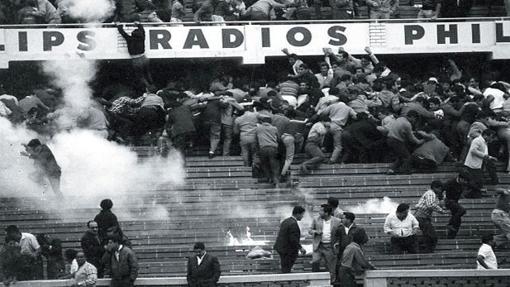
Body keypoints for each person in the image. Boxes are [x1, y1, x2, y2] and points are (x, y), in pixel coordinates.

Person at [309, 204, 342, 282]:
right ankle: (315, 281)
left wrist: (338, 243)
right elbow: (310, 230)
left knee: (331, 266)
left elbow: (341, 233)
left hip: (330, 246)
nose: (319, 212)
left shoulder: (337, 221)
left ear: (326, 213)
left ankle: (332, 282)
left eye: (321, 211)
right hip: (319, 245)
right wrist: (316, 232)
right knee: (315, 262)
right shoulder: (316, 219)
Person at [413, 180, 448, 253]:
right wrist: (441, 211)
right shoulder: (430, 193)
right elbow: (430, 205)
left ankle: (426, 249)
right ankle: (426, 250)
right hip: (421, 217)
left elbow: (438, 204)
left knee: (429, 235)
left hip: (423, 217)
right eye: (440, 189)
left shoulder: (434, 195)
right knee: (431, 235)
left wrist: (442, 198)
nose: (440, 191)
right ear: (435, 188)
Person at [386, 110, 425, 175]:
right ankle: (405, 171)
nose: (415, 121)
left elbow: (402, 130)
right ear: (412, 117)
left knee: (401, 156)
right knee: (407, 157)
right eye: (415, 119)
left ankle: (391, 170)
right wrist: (420, 141)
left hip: (389, 139)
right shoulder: (407, 124)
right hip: (396, 140)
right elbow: (412, 139)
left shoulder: (400, 118)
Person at [116, 22, 154, 89]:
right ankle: (152, 85)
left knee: (140, 76)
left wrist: (119, 26)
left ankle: (148, 87)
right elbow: (143, 30)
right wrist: (139, 24)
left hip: (136, 60)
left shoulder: (130, 39)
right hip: (144, 57)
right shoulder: (142, 38)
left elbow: (122, 33)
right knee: (147, 73)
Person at [464, 128, 498, 198]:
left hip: (478, 164)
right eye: (490, 137)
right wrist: (486, 156)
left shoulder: (484, 142)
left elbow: (484, 153)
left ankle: (473, 194)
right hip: (473, 164)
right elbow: (473, 150)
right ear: (485, 135)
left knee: (477, 181)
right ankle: (469, 194)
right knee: (477, 181)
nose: (491, 139)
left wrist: (489, 157)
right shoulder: (477, 140)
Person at [273, 206, 307, 273]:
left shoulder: (286, 221)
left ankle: (284, 280)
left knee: (284, 267)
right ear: (297, 214)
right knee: (287, 269)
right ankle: (285, 281)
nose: (302, 216)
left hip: (281, 248)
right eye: (302, 214)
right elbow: (293, 239)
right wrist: (300, 248)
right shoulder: (293, 224)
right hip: (288, 250)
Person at [255, 115, 280, 186]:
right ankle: (275, 179)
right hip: (273, 148)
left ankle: (269, 178)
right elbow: (278, 138)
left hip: (263, 149)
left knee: (265, 164)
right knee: (274, 165)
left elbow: (256, 139)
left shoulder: (258, 129)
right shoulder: (274, 128)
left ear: (262, 121)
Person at [443, 171, 469, 239]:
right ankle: (450, 224)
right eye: (464, 181)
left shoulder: (463, 184)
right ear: (460, 178)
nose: (465, 182)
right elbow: (441, 190)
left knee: (458, 221)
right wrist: (442, 199)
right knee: (462, 210)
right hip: (448, 201)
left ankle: (450, 238)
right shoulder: (450, 182)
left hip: (455, 202)